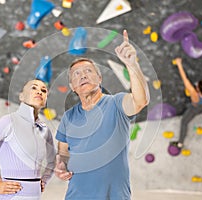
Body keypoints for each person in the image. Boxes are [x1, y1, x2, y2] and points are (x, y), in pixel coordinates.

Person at [54, 30, 150, 200]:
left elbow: (141, 100)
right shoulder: (68, 117)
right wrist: (61, 165)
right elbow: (63, 153)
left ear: (99, 79)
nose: (82, 75)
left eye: (88, 71)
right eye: (76, 74)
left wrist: (132, 64)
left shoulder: (117, 103)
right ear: (72, 87)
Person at [0, 79, 56, 200]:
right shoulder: (8, 121)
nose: (39, 92)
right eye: (34, 88)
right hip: (9, 196)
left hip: (35, 196)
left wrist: (44, 181)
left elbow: (53, 161)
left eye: (43, 90)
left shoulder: (44, 129)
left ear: (45, 100)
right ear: (21, 97)